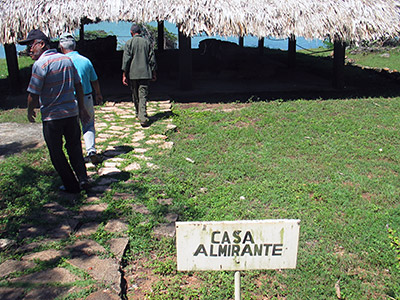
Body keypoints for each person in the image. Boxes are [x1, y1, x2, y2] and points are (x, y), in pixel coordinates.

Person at [18, 29, 90, 193]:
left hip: (52, 117)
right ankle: (83, 178)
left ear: (41, 44)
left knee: (56, 153)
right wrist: (81, 107)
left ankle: (71, 185)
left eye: (31, 45)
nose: (29, 50)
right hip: (71, 114)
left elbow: (33, 94)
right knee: (74, 148)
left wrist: (30, 110)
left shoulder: (40, 65)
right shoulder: (66, 59)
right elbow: (78, 84)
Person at [59, 33, 103, 164]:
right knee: (88, 124)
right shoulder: (85, 61)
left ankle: (76, 155)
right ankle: (91, 150)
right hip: (86, 97)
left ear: (61, 46)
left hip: (67, 100)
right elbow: (94, 79)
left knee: (72, 128)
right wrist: (98, 94)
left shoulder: (60, 63)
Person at [122, 24, 157, 127]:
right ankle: (142, 115)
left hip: (133, 74)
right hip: (145, 73)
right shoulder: (147, 43)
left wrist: (124, 74)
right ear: (140, 32)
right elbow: (152, 59)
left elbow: (126, 60)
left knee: (135, 95)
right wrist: (154, 72)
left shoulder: (129, 43)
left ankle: (140, 114)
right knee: (143, 95)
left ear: (131, 32)